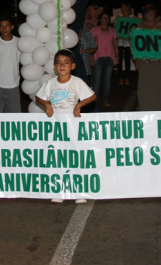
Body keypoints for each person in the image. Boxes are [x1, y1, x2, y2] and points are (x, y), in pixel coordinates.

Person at [35, 49, 96, 204]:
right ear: (55, 66)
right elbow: (38, 96)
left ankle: (79, 191)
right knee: (57, 156)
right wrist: (47, 104)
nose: (62, 66)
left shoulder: (76, 82)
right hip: (56, 127)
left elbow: (92, 96)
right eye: (59, 63)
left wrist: (79, 105)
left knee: (75, 155)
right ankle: (58, 189)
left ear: (73, 66)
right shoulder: (51, 83)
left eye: (66, 63)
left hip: (73, 126)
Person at [134, 6, 161, 111]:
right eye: (148, 13)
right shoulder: (139, 27)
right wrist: (136, 61)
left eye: (152, 13)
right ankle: (145, 106)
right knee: (145, 84)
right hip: (144, 60)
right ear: (145, 15)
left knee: (158, 83)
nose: (150, 15)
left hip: (157, 60)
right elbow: (135, 45)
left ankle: (159, 106)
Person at [0, 16, 21, 113]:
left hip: (13, 83)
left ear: (12, 27)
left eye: (7, 26)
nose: (4, 29)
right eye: (1, 26)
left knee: (14, 112)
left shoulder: (19, 42)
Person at [91, 12, 118, 107]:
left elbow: (115, 45)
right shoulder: (95, 30)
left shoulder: (112, 30)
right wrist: (91, 58)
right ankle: (94, 102)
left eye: (107, 18)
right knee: (97, 82)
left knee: (107, 81)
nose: (105, 20)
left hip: (109, 58)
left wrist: (116, 58)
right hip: (98, 58)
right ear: (100, 19)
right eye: (104, 18)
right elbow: (91, 45)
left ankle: (106, 100)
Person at [116, 3, 135, 86]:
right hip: (119, 41)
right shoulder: (118, 17)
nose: (122, 8)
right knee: (119, 59)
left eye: (123, 7)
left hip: (128, 43)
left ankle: (127, 76)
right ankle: (120, 77)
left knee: (127, 59)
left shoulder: (133, 18)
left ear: (128, 7)